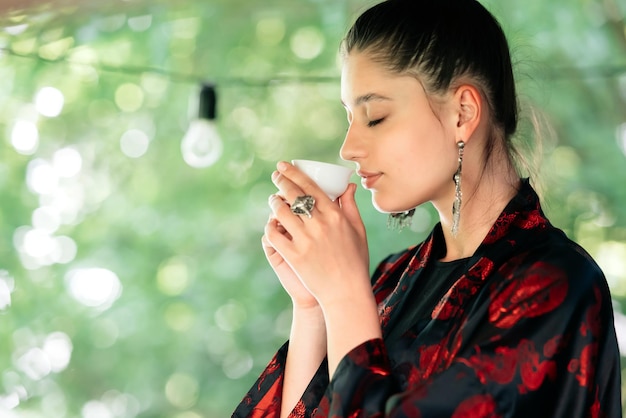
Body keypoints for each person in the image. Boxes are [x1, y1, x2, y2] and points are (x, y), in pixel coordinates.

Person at [232, 0, 623, 416]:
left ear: (462, 113)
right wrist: (313, 304)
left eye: (375, 116)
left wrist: (344, 294)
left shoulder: (553, 285)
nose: (349, 147)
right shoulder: (390, 280)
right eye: (349, 118)